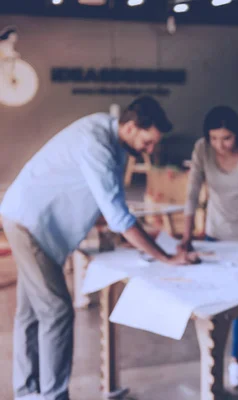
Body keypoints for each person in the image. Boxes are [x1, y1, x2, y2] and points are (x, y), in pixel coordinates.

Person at [0, 96, 197, 400]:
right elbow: (119, 216)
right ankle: (53, 395)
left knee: (31, 312)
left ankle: (27, 392)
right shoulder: (97, 143)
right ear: (131, 127)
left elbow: (105, 203)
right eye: (147, 142)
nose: (149, 150)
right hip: (30, 225)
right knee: (56, 311)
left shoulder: (111, 140)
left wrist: (124, 234)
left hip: (32, 222)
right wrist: (166, 257)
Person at [179, 105, 238, 388]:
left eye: (227, 138)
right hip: (215, 235)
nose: (220, 145)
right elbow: (192, 192)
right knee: (216, 301)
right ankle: (212, 364)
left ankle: (236, 362)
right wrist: (186, 237)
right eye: (214, 138)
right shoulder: (202, 150)